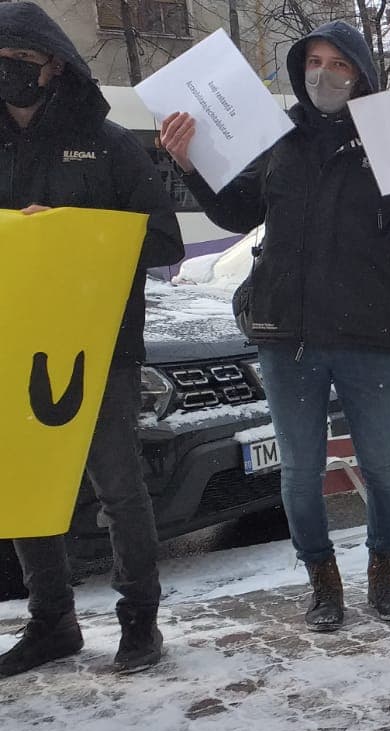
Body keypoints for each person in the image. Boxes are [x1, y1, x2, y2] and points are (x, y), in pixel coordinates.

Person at [159, 22, 390, 631]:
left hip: (368, 335)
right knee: (301, 474)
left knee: (383, 467)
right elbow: (237, 210)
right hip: (288, 335)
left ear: (359, 75)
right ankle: (323, 583)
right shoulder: (279, 139)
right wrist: (189, 165)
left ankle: (384, 574)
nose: (324, 74)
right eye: (314, 62)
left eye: (339, 64)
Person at [0, 2, 183, 677]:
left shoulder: (108, 144)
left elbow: (162, 239)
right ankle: (52, 622)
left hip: (99, 345)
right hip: (14, 346)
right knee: (26, 484)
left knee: (119, 490)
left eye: (21, 60)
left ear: (55, 66)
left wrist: (70, 231)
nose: (9, 72)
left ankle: (139, 621)